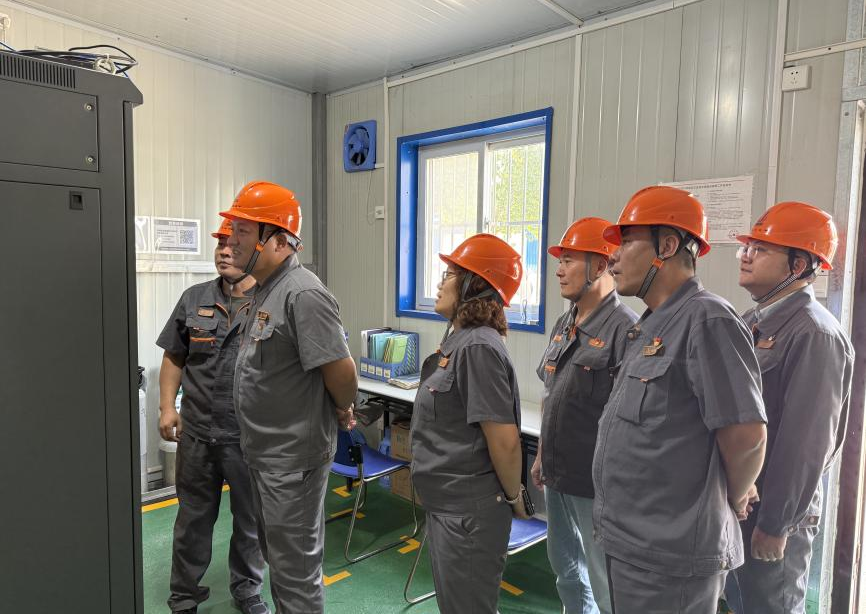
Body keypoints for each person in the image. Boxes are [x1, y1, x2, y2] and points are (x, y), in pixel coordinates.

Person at [592, 185, 768, 613]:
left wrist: (734, 494)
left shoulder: (707, 319)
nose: (612, 257)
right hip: (633, 546)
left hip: (671, 559)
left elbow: (747, 437)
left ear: (667, 246)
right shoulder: (651, 326)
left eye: (626, 242)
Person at [221, 181, 358, 614]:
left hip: (292, 461)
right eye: (233, 229)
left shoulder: (303, 293)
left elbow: (342, 372)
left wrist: (342, 406)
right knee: (279, 562)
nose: (232, 240)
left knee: (295, 572)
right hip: (266, 456)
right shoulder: (267, 289)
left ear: (279, 241)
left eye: (244, 230)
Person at [731, 201, 854, 613]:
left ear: (798, 265)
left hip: (771, 512)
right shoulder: (752, 320)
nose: (745, 255)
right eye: (747, 246)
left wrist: (776, 523)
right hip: (742, 504)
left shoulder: (815, 333)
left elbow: (807, 444)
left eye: (761, 249)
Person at [410, 233, 530, 614]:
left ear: (474, 285)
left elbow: (504, 441)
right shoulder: (460, 341)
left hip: (469, 515)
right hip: (451, 508)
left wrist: (515, 499)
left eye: (449, 275)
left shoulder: (478, 347)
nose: (439, 283)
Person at [156, 218, 269, 614]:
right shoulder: (194, 298)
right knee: (193, 520)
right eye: (220, 243)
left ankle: (247, 590)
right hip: (198, 433)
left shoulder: (272, 302)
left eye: (233, 243)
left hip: (249, 439)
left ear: (255, 249)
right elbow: (174, 356)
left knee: (250, 520)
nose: (224, 250)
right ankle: (184, 595)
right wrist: (167, 407)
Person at [531, 217, 638, 614]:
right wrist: (541, 454)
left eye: (569, 260)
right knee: (566, 569)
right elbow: (550, 392)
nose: (559, 270)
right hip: (558, 472)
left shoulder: (626, 331)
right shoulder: (565, 322)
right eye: (559, 261)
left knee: (605, 581)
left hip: (596, 485)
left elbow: (633, 419)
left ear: (600, 265)